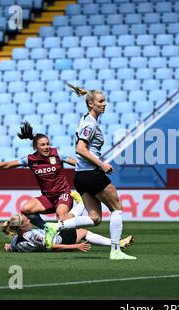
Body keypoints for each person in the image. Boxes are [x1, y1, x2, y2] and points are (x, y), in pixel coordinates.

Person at [44, 83, 136, 260]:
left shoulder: (87, 120)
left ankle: (57, 226)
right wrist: (102, 165)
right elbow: (80, 149)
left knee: (95, 218)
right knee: (116, 208)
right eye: (101, 101)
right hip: (91, 173)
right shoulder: (89, 124)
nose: (104, 104)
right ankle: (116, 251)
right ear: (90, 104)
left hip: (81, 175)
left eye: (104, 101)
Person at [0, 122, 88, 229]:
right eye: (42, 145)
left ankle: (77, 225)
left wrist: (94, 166)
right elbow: (8, 164)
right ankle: (47, 228)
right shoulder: (30, 159)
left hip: (63, 194)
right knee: (25, 209)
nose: (46, 147)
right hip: (47, 198)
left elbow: (77, 163)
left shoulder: (57, 154)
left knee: (60, 217)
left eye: (48, 144)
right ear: (35, 147)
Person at [1, 214, 134, 253]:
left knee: (67, 219)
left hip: (58, 236)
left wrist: (9, 248)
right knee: (81, 230)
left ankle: (80, 204)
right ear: (22, 227)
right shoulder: (33, 235)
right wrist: (74, 247)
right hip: (61, 240)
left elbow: (12, 247)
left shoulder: (16, 240)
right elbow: (51, 246)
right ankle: (118, 243)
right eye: (26, 221)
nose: (29, 220)